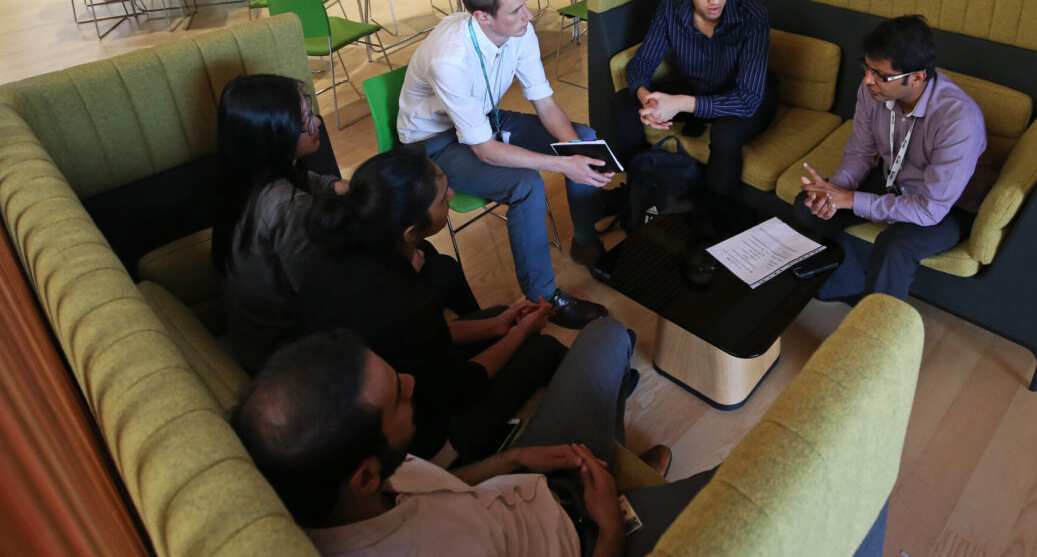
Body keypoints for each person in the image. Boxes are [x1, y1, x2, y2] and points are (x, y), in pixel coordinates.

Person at [234, 325, 709, 557]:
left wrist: (521, 457)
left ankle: (614, 465)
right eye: (398, 397)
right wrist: (607, 529)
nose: (411, 382)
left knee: (607, 334)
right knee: (736, 488)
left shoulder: (346, 482)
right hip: (584, 540)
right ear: (363, 476)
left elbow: (443, 486)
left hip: (528, 484)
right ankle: (624, 497)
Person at [300, 144, 567, 462]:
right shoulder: (406, 301)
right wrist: (518, 334)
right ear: (411, 232)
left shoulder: (335, 254)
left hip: (363, 399)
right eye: (443, 198)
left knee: (498, 316)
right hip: (411, 447)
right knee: (544, 348)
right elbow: (461, 386)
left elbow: (414, 343)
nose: (452, 195)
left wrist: (497, 325)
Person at [396, 0, 611, 327]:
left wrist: (577, 150)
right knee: (527, 185)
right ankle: (545, 299)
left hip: (483, 120)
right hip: (434, 144)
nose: (529, 15)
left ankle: (585, 241)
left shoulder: (519, 30)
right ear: (482, 17)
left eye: (526, 3)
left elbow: (544, 103)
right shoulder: (450, 59)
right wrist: (562, 164)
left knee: (585, 138)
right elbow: (483, 150)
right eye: (516, 10)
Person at [794, 15, 993, 301]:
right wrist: (832, 192)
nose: (867, 80)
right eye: (867, 68)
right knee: (807, 204)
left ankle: (877, 327)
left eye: (880, 75)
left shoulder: (959, 120)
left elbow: (929, 209)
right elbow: (860, 152)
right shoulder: (871, 91)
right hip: (893, 180)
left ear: (917, 77)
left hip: (946, 206)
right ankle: (851, 289)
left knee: (894, 247)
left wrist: (850, 199)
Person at [611, 0, 774, 209]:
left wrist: (680, 104)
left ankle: (713, 220)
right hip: (695, 89)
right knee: (621, 105)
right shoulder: (671, 6)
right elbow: (641, 64)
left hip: (744, 100)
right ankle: (642, 187)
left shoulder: (753, 16)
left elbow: (748, 100)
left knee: (725, 133)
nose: (716, 0)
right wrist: (647, 99)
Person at [211, 74, 348, 374]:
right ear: (274, 134)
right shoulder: (286, 206)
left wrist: (341, 187)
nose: (318, 123)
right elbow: (323, 293)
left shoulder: (244, 176)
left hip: (251, 339)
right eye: (305, 119)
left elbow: (309, 181)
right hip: (285, 355)